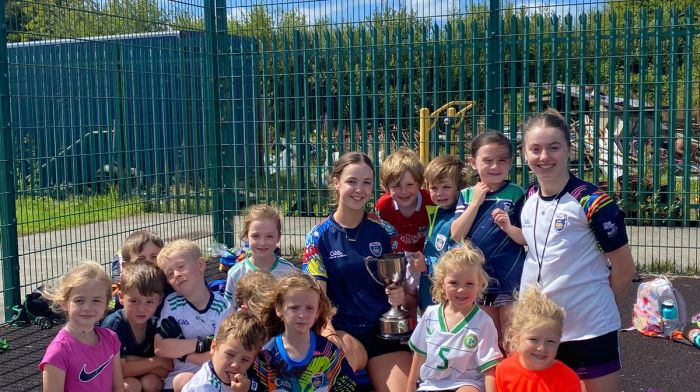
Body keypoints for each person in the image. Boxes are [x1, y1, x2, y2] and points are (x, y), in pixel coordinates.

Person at [516, 109, 636, 391]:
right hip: (540, 331)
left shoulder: (593, 200)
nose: (544, 157)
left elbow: (625, 268)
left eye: (554, 147)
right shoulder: (528, 198)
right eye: (536, 149)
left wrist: (602, 308)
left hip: (588, 327)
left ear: (569, 150)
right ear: (524, 154)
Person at [303, 151, 412, 391]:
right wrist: (328, 334)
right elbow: (315, 299)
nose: (359, 190)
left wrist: (399, 295)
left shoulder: (385, 231)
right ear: (336, 183)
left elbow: (400, 284)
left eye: (366, 183)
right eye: (351, 181)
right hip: (343, 332)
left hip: (384, 332)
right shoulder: (317, 238)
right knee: (332, 379)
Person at [450, 131, 527, 341]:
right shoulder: (466, 195)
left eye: (502, 160)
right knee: (488, 340)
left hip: (511, 278)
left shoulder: (516, 193)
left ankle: (512, 374)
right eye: (488, 160)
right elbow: (457, 234)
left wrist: (508, 227)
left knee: (513, 339)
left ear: (510, 163)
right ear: (473, 163)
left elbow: (525, 238)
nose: (495, 167)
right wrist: (475, 202)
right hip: (478, 279)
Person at [406, 244, 502, 392]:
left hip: (466, 383)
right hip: (432, 384)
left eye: (469, 283)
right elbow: (420, 354)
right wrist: (410, 386)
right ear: (442, 283)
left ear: (480, 285)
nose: (461, 289)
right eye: (453, 283)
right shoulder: (430, 314)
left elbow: (489, 367)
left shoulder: (483, 321)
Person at [252, 273, 356, 391]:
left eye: (309, 308)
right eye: (294, 308)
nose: (302, 315)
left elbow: (349, 386)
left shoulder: (328, 351)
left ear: (317, 312)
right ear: (279, 309)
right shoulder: (267, 355)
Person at [154, 239, 230, 392]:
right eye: (169, 274)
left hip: (213, 380)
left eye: (181, 266)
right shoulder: (172, 303)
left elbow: (220, 357)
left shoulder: (223, 308)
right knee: (182, 380)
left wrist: (181, 349)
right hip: (175, 380)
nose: (176, 274)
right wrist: (202, 343)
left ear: (200, 265)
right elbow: (160, 348)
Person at [39, 261, 124, 391]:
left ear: (106, 303)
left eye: (96, 300)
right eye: (79, 300)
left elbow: (118, 388)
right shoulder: (59, 351)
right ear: (64, 302)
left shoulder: (111, 339)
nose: (88, 307)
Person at [102, 260, 173, 392]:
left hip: (143, 375)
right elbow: (118, 370)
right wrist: (157, 361)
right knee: (131, 386)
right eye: (134, 301)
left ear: (160, 300)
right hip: (113, 380)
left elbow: (167, 367)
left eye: (149, 301)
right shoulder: (115, 325)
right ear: (121, 297)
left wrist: (131, 361)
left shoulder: (155, 323)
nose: (141, 309)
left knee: (152, 383)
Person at [410, 155, 467, 313]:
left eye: (446, 187)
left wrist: (427, 266)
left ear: (459, 187)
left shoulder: (461, 218)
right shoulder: (437, 212)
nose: (439, 193)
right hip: (429, 298)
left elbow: (458, 262)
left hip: (449, 303)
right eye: (434, 188)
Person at [496, 287, 581, 391]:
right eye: (534, 339)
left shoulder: (567, 378)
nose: (542, 348)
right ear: (516, 337)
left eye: (550, 341)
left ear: (559, 341)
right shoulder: (504, 370)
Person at [223, 204, 297, 306]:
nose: (262, 242)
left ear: (278, 237)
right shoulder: (236, 273)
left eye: (269, 236)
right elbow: (229, 311)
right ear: (246, 236)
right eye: (256, 236)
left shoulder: (289, 272)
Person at [182, 311, 267, 392]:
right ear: (214, 347)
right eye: (230, 354)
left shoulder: (246, 376)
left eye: (245, 360)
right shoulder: (204, 388)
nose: (236, 365)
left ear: (253, 360)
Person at [375, 147, 432, 254]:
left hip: (425, 258)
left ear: (419, 183)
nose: (404, 191)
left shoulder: (430, 202)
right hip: (397, 258)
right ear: (386, 188)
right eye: (396, 186)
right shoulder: (383, 206)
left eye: (409, 185)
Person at [111, 230, 167, 311]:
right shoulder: (120, 294)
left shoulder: (172, 284)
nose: (149, 262)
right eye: (141, 259)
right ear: (126, 266)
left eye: (154, 256)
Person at [213, 271, 277, 336]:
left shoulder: (278, 321)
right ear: (245, 309)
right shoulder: (235, 330)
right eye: (264, 312)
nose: (270, 314)